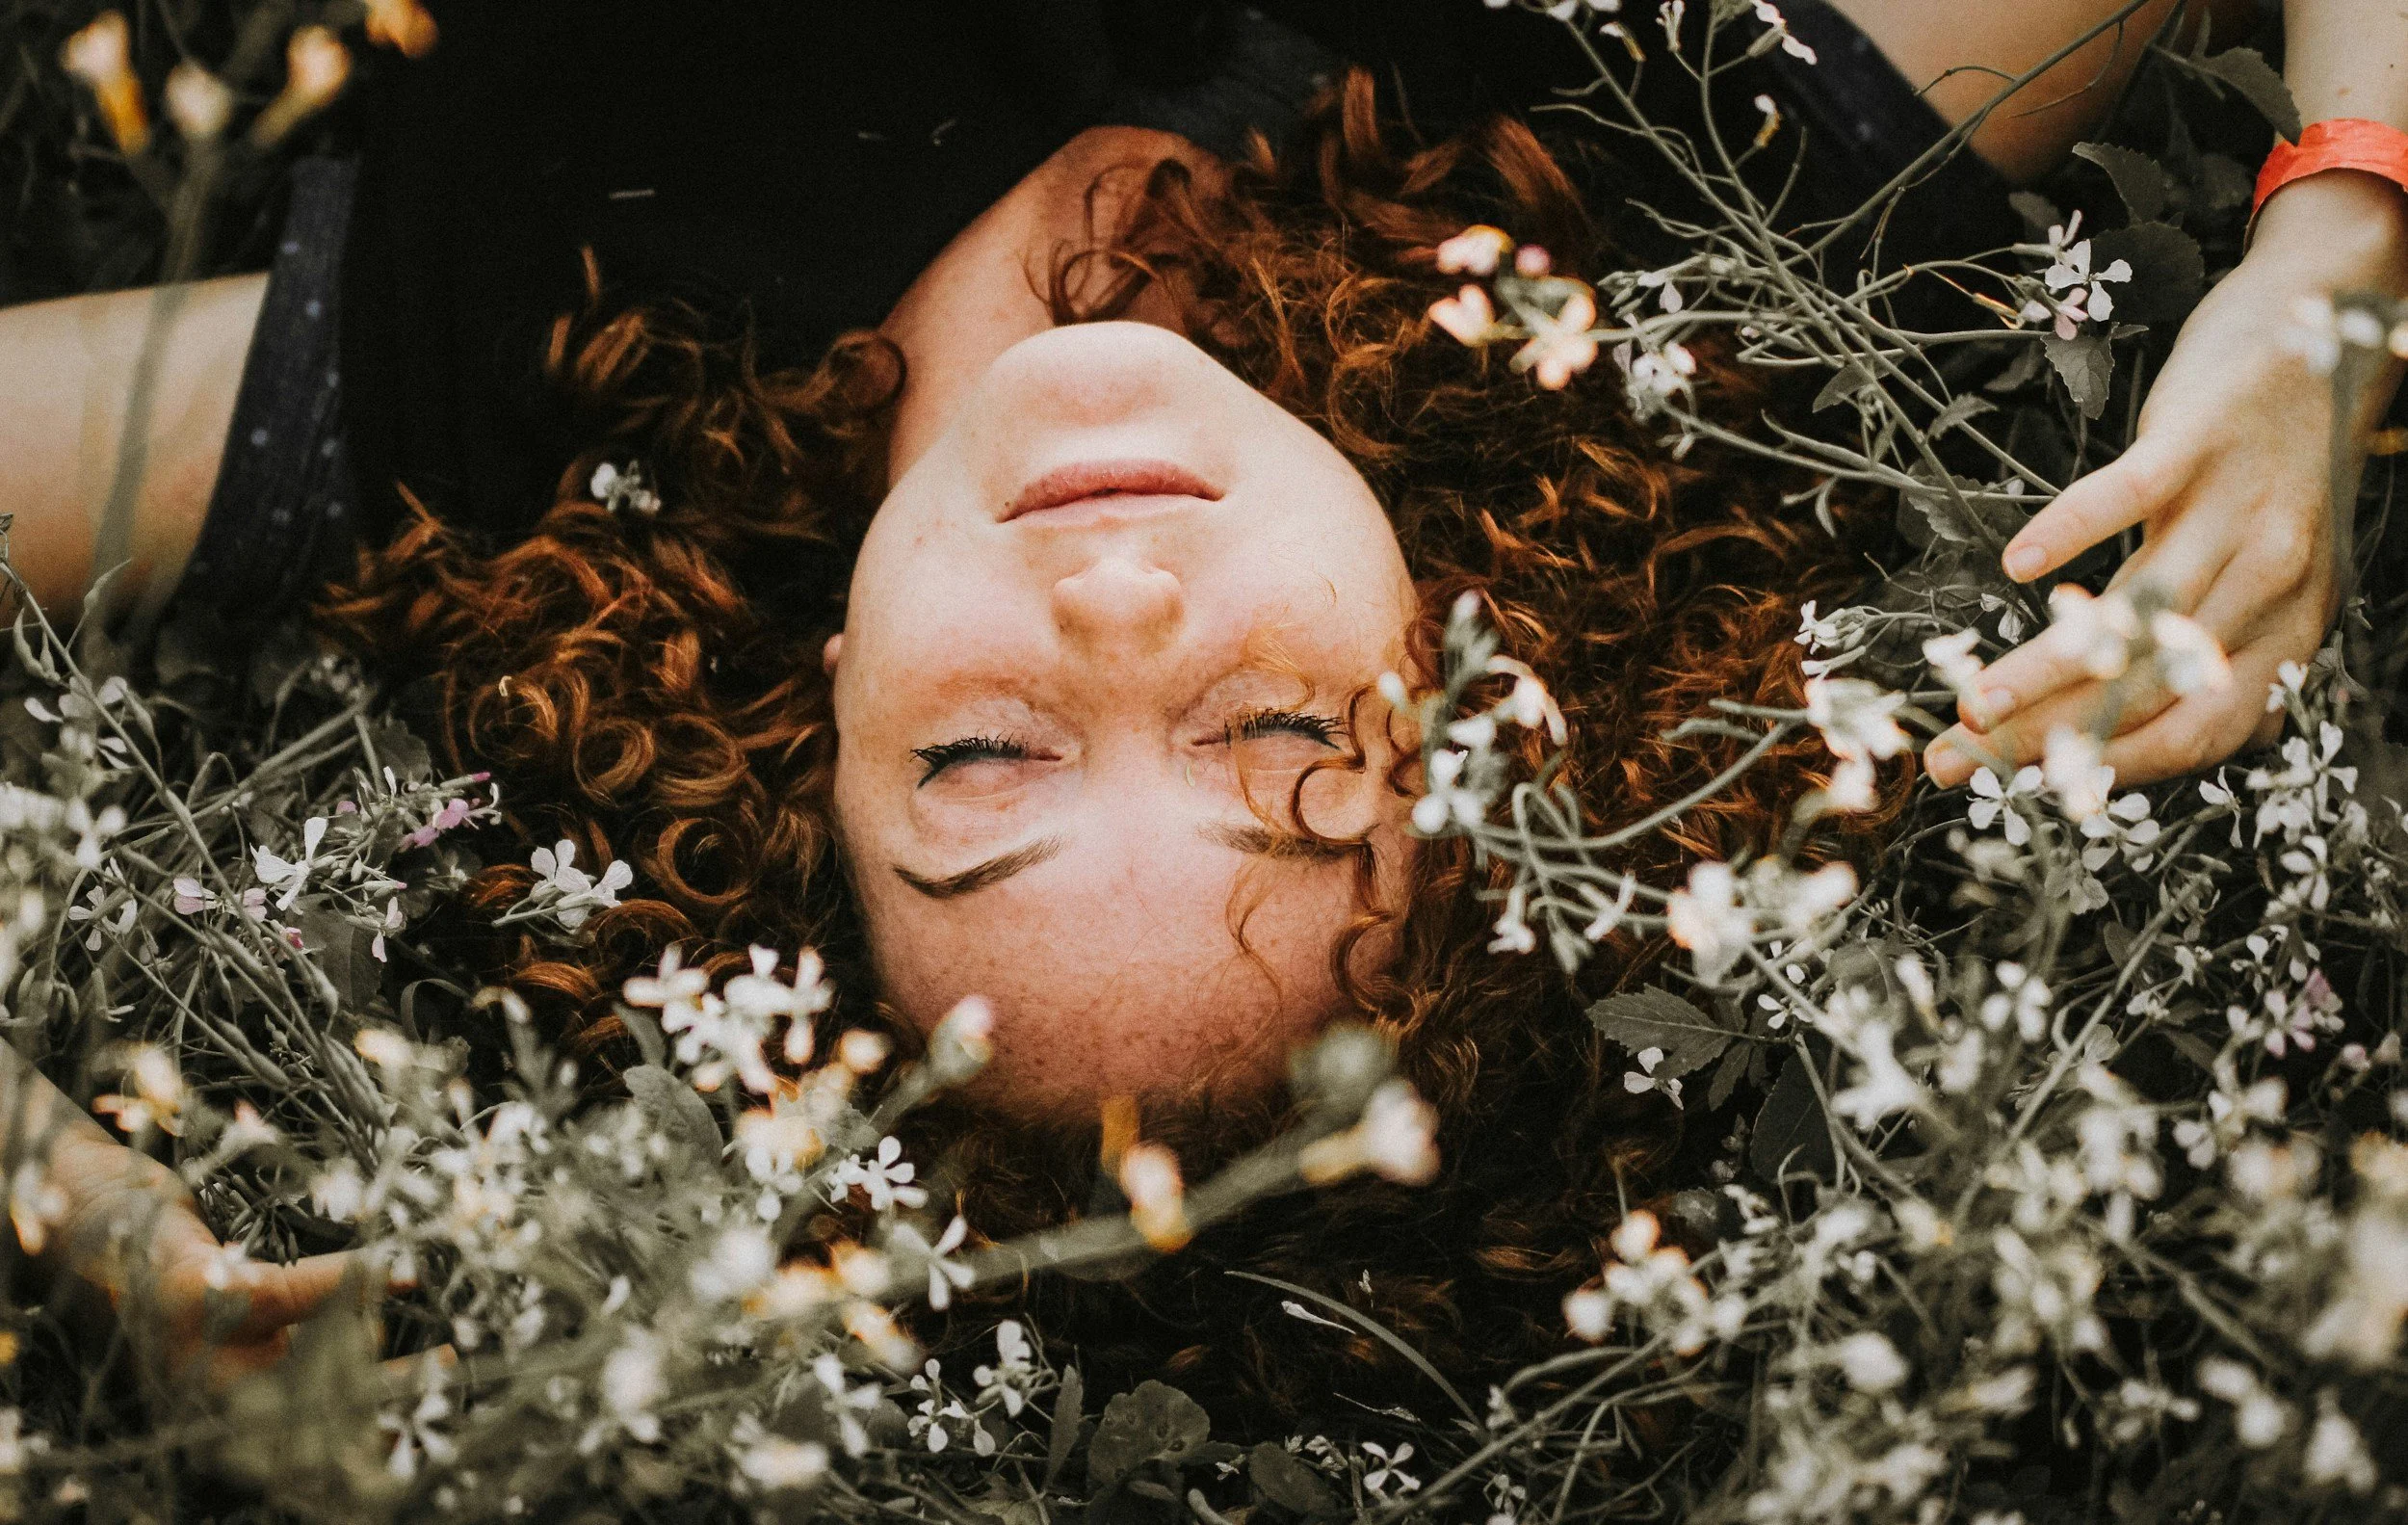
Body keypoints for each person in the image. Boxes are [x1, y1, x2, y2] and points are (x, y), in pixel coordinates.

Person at [0, 0, 2399, 1414]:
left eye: (982, 760)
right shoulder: (1656, 192)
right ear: (1470, 680)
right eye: (1283, 747)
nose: (1119, 600)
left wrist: (72, 1197)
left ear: (817, 728)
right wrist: (2332, 271)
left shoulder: (470, 391)